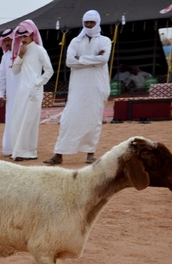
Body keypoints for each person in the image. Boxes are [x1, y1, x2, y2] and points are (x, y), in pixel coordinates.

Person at [44, 10, 112, 165]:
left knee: (93, 121)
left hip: (96, 87)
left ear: (97, 23)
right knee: (69, 119)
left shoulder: (105, 41)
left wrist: (80, 59)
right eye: (86, 22)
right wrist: (92, 60)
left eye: (92, 22)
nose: (89, 25)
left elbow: (103, 59)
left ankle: (90, 154)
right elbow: (69, 62)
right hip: (78, 88)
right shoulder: (75, 41)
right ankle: (59, 154)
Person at [7, 20, 54, 161]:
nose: (23, 39)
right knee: (17, 120)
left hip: (34, 91)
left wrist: (37, 83)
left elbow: (49, 70)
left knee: (29, 121)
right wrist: (20, 56)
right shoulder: (20, 51)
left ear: (32, 35)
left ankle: (28, 152)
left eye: (25, 36)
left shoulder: (40, 50)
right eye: (20, 37)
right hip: (22, 91)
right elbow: (15, 71)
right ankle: (18, 150)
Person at [0, 28, 18, 157]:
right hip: (10, 95)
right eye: (6, 41)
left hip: (23, 93)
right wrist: (0, 93)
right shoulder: (5, 56)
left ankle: (22, 148)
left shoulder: (23, 53)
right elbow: (2, 76)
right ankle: (10, 148)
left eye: (10, 40)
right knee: (10, 119)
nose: (8, 43)